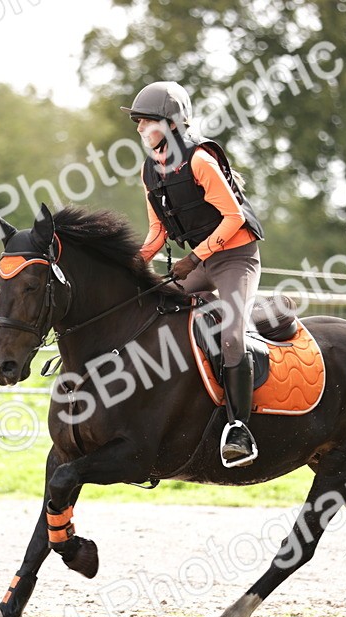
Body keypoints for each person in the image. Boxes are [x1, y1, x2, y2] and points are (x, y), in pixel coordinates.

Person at [121, 81, 266, 468]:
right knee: (154, 313)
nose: (138, 130)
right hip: (201, 262)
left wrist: (194, 258)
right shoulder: (149, 170)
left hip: (236, 257)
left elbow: (233, 217)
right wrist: (133, 263)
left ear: (170, 123)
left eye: (145, 122)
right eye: (137, 122)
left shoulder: (201, 160)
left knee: (233, 335)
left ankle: (239, 429)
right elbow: (157, 231)